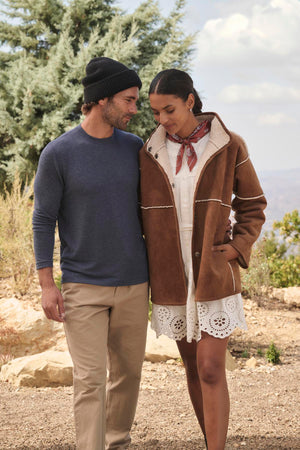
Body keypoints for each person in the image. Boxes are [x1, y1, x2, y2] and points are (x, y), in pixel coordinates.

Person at [139, 69, 267, 450]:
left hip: (212, 271)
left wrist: (238, 246)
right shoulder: (149, 152)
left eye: (170, 110)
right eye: (156, 113)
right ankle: (210, 440)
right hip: (171, 275)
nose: (163, 120)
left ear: (190, 101)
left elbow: (253, 205)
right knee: (194, 369)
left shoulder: (229, 146)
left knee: (211, 367)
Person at [32, 57, 149, 450]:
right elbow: (42, 220)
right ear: (102, 100)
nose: (136, 109)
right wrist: (47, 285)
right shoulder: (59, 154)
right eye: (129, 100)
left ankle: (117, 442)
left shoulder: (135, 149)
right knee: (90, 378)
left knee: (128, 374)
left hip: (135, 283)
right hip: (84, 286)